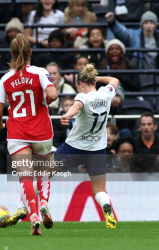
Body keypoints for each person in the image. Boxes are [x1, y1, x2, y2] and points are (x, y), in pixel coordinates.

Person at [0, 33, 58, 235]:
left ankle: (35, 216)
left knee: (25, 178)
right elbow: (53, 95)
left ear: (11, 54)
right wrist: (45, 100)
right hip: (42, 132)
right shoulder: (39, 72)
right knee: (44, 170)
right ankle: (44, 202)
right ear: (30, 52)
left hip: (18, 133)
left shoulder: (5, 78)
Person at [52, 64, 119, 228]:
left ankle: (24, 209)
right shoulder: (106, 94)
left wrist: (67, 115)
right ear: (94, 82)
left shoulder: (83, 97)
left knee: (44, 174)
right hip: (97, 150)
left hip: (74, 148)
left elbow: (76, 107)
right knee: (99, 190)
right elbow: (114, 79)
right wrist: (98, 78)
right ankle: (106, 206)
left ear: (80, 83)